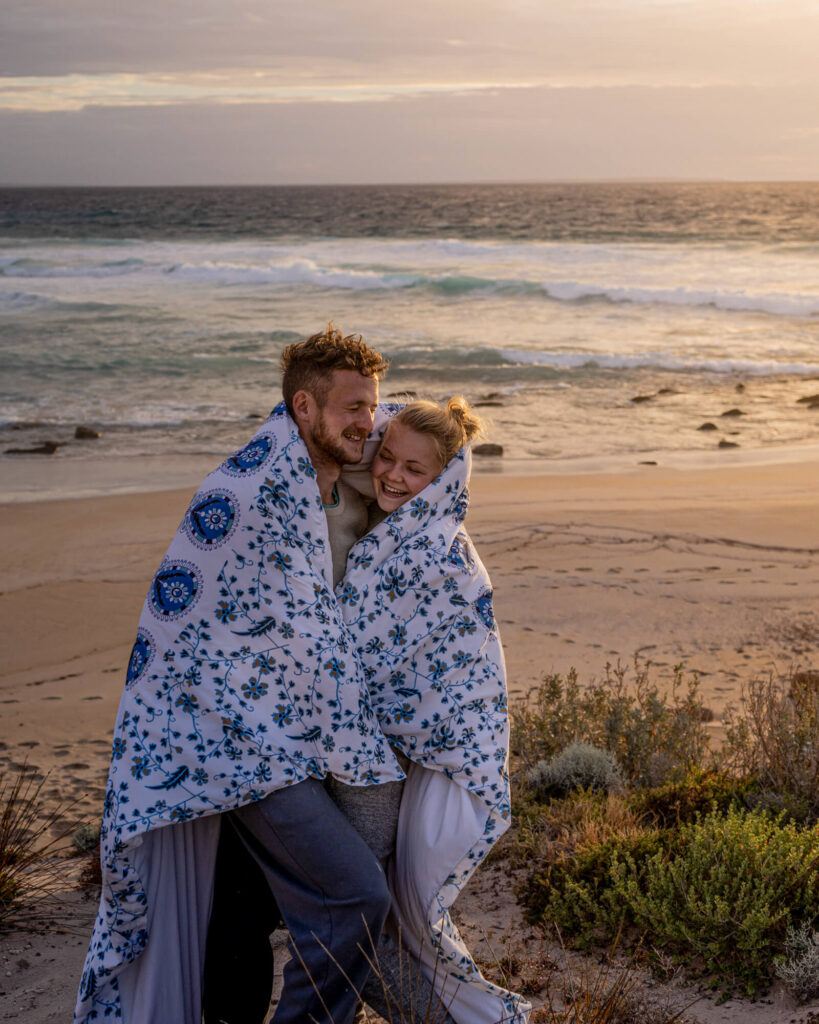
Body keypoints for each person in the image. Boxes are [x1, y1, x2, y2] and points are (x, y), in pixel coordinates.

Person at [75, 326, 406, 1024]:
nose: (364, 423)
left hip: (275, 738)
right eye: (349, 407)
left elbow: (431, 457)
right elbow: (206, 624)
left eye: (370, 407)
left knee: (237, 913)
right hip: (232, 744)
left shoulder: (321, 481)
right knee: (354, 896)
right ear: (303, 409)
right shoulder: (253, 492)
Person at [328, 398, 531, 1024]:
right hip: (382, 753)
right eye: (385, 456)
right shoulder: (401, 528)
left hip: (388, 762)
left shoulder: (435, 551)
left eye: (414, 469)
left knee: (356, 920)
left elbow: (361, 653)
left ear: (445, 477)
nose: (391, 474)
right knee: (376, 917)